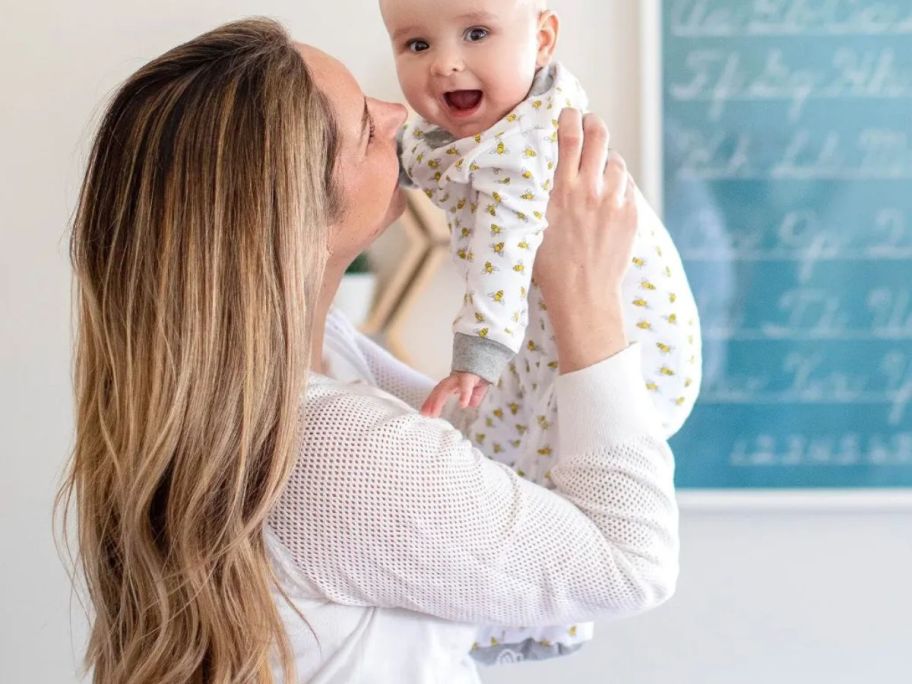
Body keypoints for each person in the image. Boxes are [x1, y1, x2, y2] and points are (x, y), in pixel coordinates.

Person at [58, 18, 679, 683]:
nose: (396, 112)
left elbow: (484, 458)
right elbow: (629, 562)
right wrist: (584, 294)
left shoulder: (297, 365)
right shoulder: (338, 450)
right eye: (363, 126)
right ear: (294, 215)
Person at [380, 0, 700, 660]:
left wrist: (477, 354)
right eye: (414, 45)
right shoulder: (495, 123)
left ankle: (532, 624)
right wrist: (390, 155)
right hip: (548, 338)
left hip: (628, 352)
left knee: (535, 477)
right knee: (499, 450)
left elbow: (504, 253)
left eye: (476, 33)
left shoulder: (528, 150)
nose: (444, 62)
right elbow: (428, 153)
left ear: (543, 38)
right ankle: (513, 624)